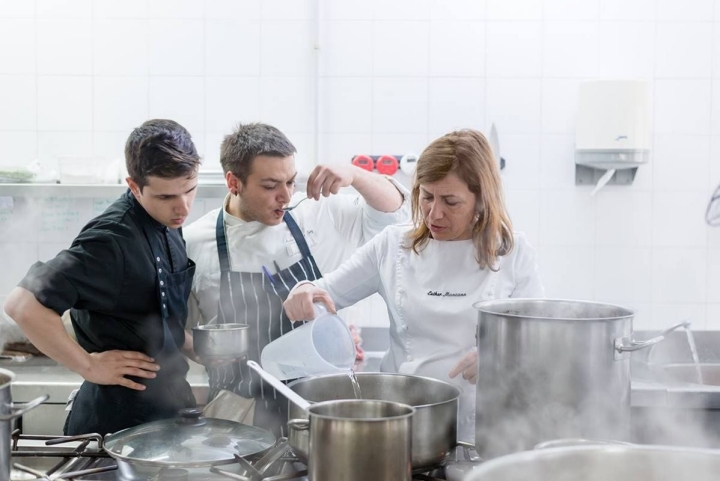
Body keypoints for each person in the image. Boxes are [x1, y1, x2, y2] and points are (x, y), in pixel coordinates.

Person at [282, 129, 544, 442]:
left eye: (451, 201)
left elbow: (537, 338)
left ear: (481, 200)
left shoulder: (513, 252)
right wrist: (305, 289)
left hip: (481, 428)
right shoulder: (393, 245)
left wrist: (503, 355)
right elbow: (326, 293)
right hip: (400, 425)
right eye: (427, 196)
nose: (434, 213)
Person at [184, 122, 409, 436]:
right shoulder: (194, 242)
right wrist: (201, 349)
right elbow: (180, 331)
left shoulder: (315, 214)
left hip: (317, 408)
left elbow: (396, 216)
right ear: (233, 182)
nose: (286, 196)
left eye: (290, 181)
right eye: (270, 185)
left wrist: (355, 174)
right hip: (237, 415)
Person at [3, 119, 202, 435]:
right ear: (134, 186)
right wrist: (88, 365)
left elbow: (146, 311)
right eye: (166, 197)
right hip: (116, 423)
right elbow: (22, 305)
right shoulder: (110, 240)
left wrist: (195, 344)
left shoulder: (168, 225)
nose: (183, 207)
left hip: (167, 412)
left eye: (190, 190)